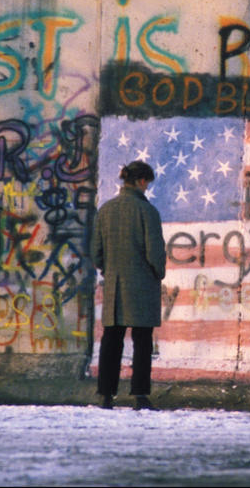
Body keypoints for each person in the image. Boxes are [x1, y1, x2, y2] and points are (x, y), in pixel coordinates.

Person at [91, 160, 167, 410]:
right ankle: (139, 395)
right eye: (147, 183)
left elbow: (96, 252)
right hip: (143, 284)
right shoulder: (148, 212)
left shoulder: (106, 210)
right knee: (142, 340)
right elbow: (155, 253)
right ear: (142, 181)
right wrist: (159, 274)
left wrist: (109, 269)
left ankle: (105, 394)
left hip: (114, 284)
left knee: (112, 338)